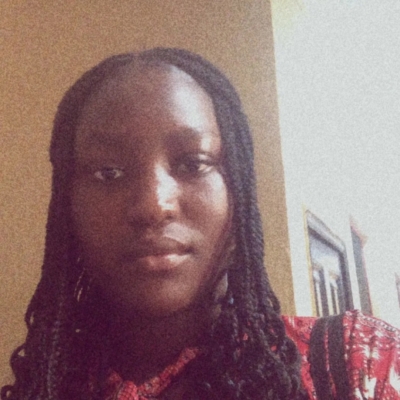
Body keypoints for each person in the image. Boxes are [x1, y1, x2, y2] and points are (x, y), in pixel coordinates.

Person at [1, 48, 399, 400]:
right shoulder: (41, 388)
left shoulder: (359, 365)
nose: (153, 206)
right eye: (109, 172)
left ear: (238, 191)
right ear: (67, 206)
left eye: (193, 164)